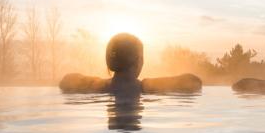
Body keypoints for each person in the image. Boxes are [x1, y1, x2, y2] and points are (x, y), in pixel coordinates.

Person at [59, 33, 202, 95]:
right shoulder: (144, 88)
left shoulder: (99, 87)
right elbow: (193, 82)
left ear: (109, 62)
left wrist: (98, 82)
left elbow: (66, 81)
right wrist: (150, 84)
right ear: (139, 60)